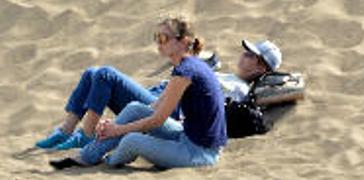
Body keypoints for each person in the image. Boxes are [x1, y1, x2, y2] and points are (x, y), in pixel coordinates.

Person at [35, 37, 281, 152]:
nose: (243, 55)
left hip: (164, 108)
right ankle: (65, 132)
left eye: (250, 55)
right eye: (245, 51)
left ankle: (86, 136)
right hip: (157, 94)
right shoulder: (228, 77)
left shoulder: (239, 89)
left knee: (105, 75)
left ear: (261, 67)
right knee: (92, 72)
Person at [50, 18, 228, 170]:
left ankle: (109, 162)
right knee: (135, 108)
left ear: (183, 41)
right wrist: (114, 125)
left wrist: (118, 130)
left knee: (131, 141)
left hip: (200, 153)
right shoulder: (186, 66)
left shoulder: (186, 72)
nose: (159, 42)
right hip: (187, 137)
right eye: (156, 37)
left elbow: (157, 120)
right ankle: (87, 157)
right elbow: (156, 105)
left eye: (164, 38)